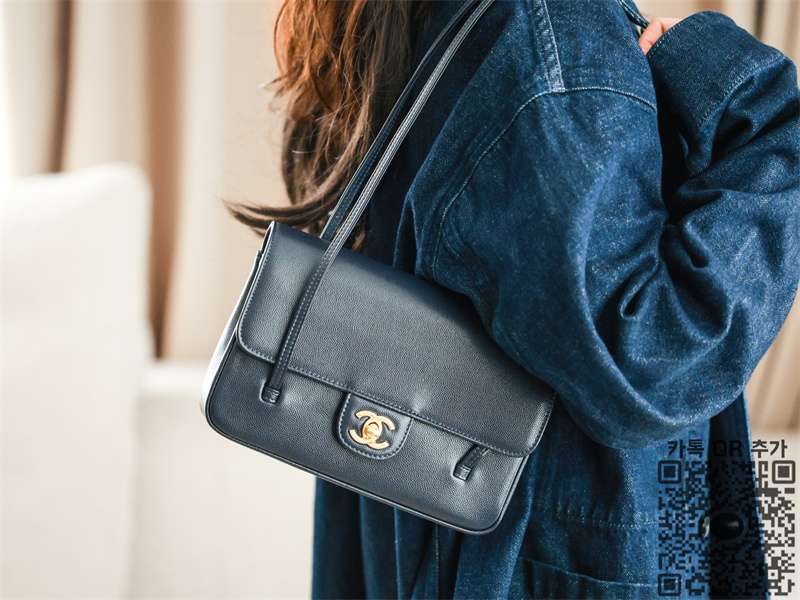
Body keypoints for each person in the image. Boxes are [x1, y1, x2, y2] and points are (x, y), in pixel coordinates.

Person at [230, 0, 800, 597]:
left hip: (448, 535)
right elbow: (651, 361)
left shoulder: (456, 20)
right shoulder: (549, 25)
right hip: (549, 557)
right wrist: (765, 107)